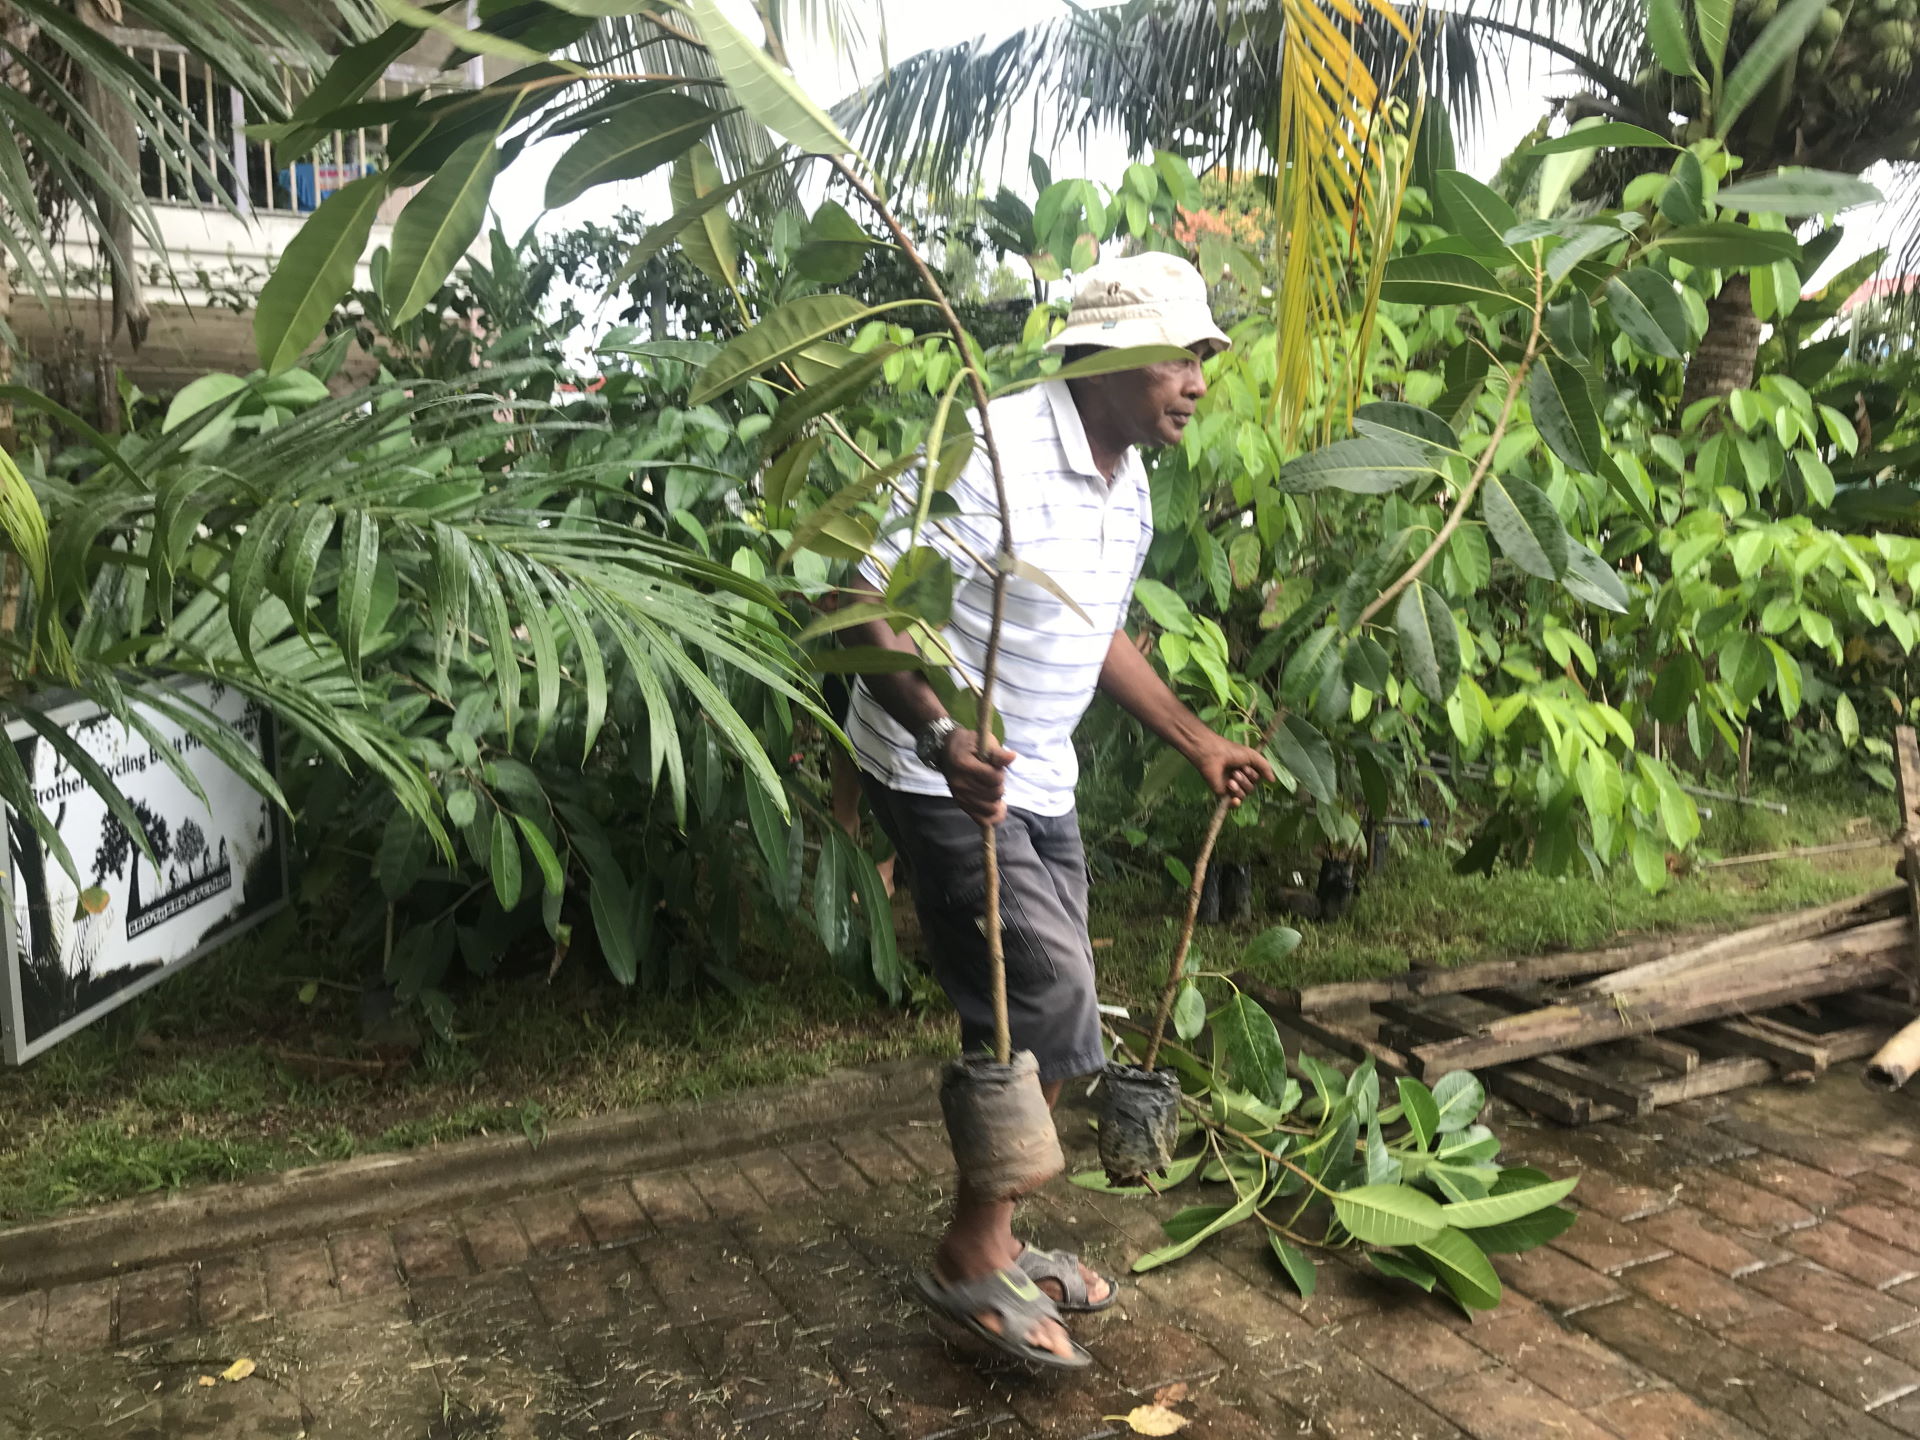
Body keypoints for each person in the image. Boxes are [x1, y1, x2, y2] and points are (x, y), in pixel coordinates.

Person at [838, 253, 1275, 1368]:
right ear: (1108, 357)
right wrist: (944, 734)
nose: (1196, 379)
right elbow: (854, 602)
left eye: (1201, 358)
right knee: (1049, 987)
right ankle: (969, 1255)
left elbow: (1097, 631)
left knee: (1022, 1004)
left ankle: (997, 1237)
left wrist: (1196, 740)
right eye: (1179, 356)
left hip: (1039, 772)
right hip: (939, 766)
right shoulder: (991, 447)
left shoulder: (1128, 479)